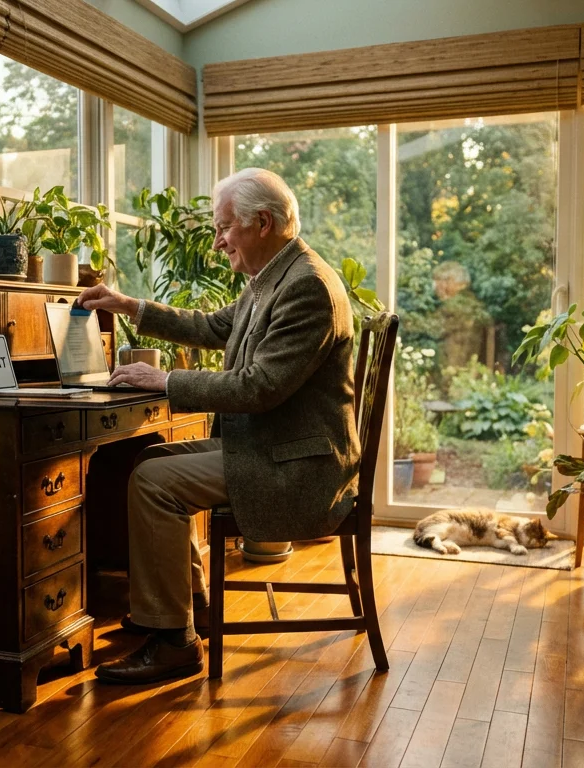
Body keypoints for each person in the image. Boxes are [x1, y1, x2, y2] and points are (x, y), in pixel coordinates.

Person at [76, 167, 360, 685]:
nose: (217, 241)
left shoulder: (307, 287)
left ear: (263, 223)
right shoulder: (275, 276)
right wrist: (129, 306)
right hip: (277, 450)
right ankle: (192, 606)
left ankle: (172, 642)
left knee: (153, 482)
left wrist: (164, 381)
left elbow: (257, 387)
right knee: (150, 461)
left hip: (300, 471)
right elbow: (212, 326)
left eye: (224, 227)